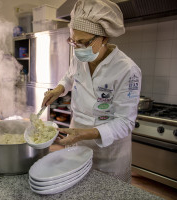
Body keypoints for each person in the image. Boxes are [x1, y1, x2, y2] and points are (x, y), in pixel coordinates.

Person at [42, 0, 141, 183]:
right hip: (77, 143)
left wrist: (86, 133)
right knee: (75, 187)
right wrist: (59, 89)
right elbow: (70, 76)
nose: (78, 48)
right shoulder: (80, 56)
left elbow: (126, 122)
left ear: (104, 38)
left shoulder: (127, 69)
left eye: (83, 42)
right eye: (73, 41)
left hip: (109, 152)